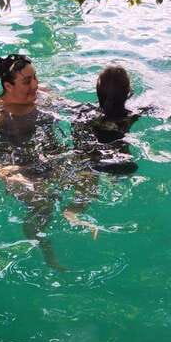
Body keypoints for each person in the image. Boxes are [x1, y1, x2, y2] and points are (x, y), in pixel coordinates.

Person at [0, 54, 70, 269]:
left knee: (88, 176)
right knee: (43, 204)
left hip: (52, 157)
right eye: (27, 81)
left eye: (35, 77)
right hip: (20, 167)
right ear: (8, 85)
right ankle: (44, 248)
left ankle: (76, 217)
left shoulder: (44, 95)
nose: (35, 85)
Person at [63, 66, 142, 236]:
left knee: (84, 192)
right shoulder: (131, 115)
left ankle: (72, 213)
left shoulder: (82, 110)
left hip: (85, 157)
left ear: (98, 91)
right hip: (117, 160)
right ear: (127, 92)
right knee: (117, 173)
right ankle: (112, 180)